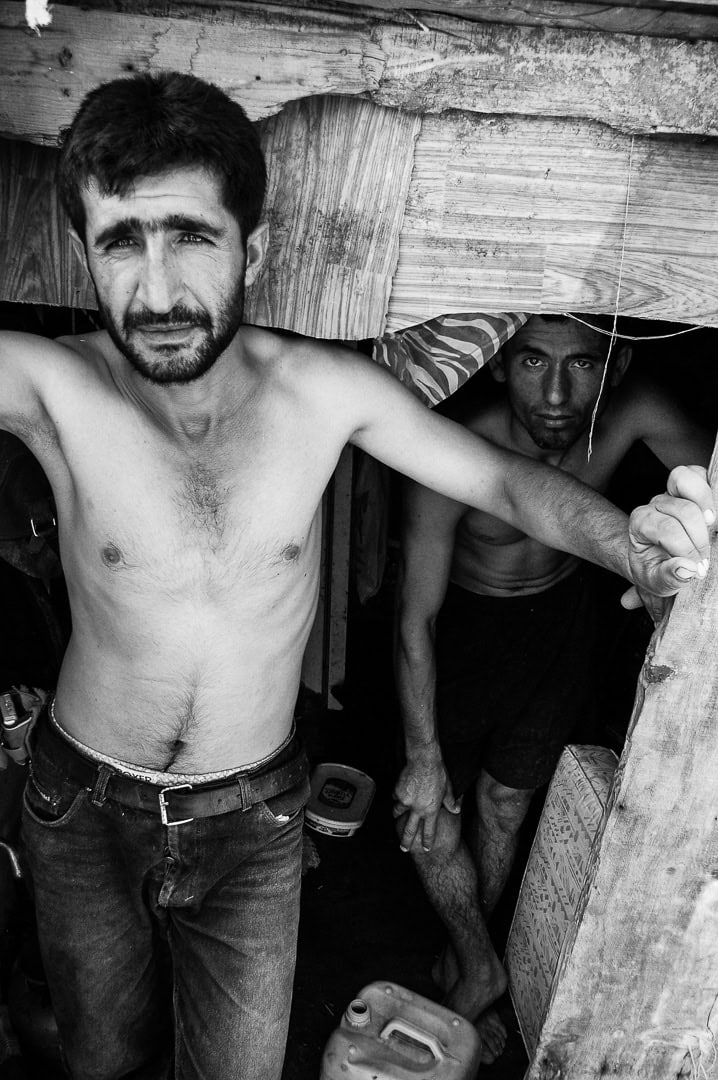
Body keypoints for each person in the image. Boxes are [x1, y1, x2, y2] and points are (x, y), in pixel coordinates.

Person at [0, 73, 711, 1080]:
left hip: (249, 821)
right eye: (122, 243)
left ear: (258, 247)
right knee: (102, 1063)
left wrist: (634, 547)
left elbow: (507, 483)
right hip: (81, 808)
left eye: (192, 238)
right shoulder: (52, 384)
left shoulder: (320, 394)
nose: (156, 292)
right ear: (84, 254)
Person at [393, 313, 715, 1064]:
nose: (558, 393)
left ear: (619, 365)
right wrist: (420, 751)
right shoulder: (455, 444)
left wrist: (689, 531)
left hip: (560, 626)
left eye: (585, 365)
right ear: (501, 364)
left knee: (507, 802)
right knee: (429, 801)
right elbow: (416, 619)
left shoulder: (635, 412)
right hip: (461, 630)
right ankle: (478, 962)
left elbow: (713, 478)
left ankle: (469, 952)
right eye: (534, 361)